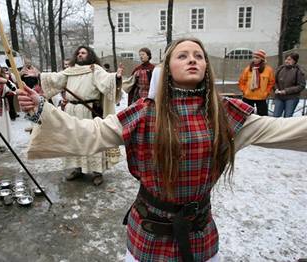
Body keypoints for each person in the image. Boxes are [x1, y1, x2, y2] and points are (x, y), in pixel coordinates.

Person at [17, 37, 307, 261]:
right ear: (168, 68)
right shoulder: (144, 113)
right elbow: (92, 132)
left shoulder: (226, 115)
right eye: (183, 56)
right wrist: (42, 109)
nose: (192, 59)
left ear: (206, 66)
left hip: (199, 231)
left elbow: (282, 130)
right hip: (149, 231)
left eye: (198, 56)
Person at [36, 45, 123, 186]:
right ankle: (78, 168)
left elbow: (107, 81)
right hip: (71, 110)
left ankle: (97, 172)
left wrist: (116, 77)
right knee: (74, 140)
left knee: (91, 139)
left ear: (90, 55)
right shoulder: (70, 71)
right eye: (79, 53)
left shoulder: (95, 69)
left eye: (83, 53)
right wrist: (39, 75)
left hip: (87, 110)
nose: (80, 55)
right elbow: (55, 79)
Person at [238, 49, 275, 116]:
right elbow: (242, 81)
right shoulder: (248, 69)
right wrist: (244, 90)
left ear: (262, 59)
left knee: (263, 117)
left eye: (257, 58)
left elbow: (271, 83)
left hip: (261, 97)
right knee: (246, 116)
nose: (254, 59)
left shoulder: (268, 70)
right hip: (248, 96)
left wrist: (266, 92)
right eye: (253, 57)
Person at [273, 52, 306, 117]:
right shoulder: (280, 68)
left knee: (287, 117)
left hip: (292, 98)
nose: (286, 61)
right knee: (275, 116)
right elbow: (274, 81)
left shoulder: (299, 71)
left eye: (289, 59)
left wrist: (286, 91)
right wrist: (276, 88)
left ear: (294, 61)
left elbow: (301, 86)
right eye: (286, 59)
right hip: (279, 97)